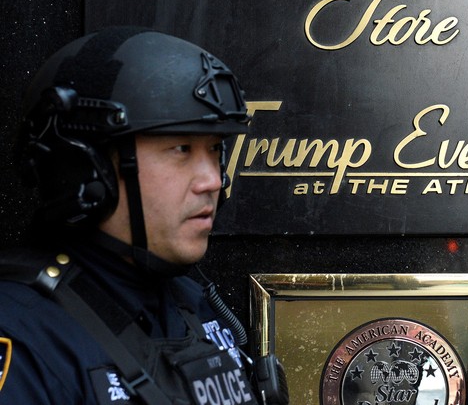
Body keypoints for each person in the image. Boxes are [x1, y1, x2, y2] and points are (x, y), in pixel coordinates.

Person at [0, 27, 287, 404]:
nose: (213, 180)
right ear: (89, 169)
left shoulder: (193, 305)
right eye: (181, 148)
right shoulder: (25, 335)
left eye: (215, 149)